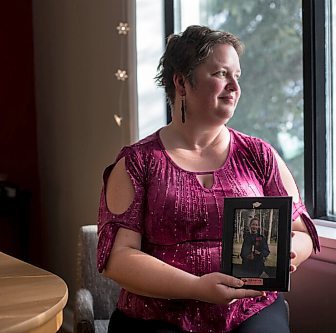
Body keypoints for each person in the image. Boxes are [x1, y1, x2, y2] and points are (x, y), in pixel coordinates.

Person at [97, 25, 320, 333]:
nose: (234, 87)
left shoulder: (259, 154)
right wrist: (197, 287)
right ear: (181, 83)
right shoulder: (138, 162)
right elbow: (118, 259)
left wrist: (287, 251)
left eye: (237, 76)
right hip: (156, 315)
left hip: (249, 310)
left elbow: (301, 230)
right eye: (220, 74)